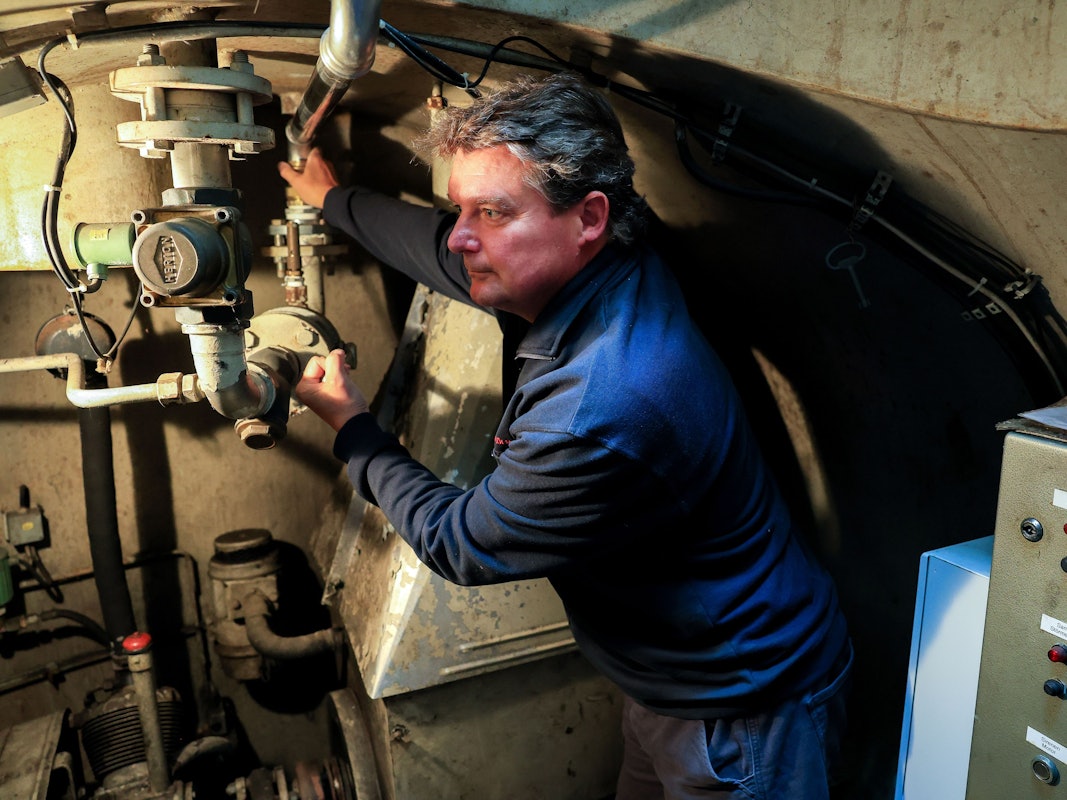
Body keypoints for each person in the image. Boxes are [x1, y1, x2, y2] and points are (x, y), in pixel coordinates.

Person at [279, 71, 852, 800]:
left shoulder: (600, 405)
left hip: (741, 715)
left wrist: (353, 427)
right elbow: (440, 250)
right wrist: (333, 200)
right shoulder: (608, 251)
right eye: (462, 208)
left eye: (491, 212)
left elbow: (463, 542)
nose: (462, 236)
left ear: (587, 216)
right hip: (667, 683)